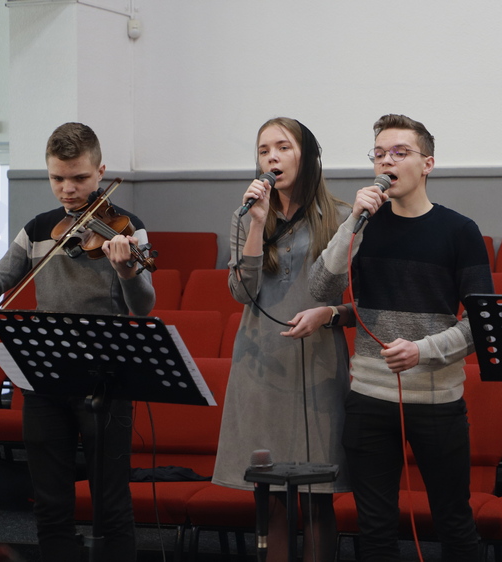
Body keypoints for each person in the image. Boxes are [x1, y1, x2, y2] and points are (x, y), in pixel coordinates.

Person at [0, 122, 154, 561]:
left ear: (101, 172)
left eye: (79, 178)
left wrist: (126, 271)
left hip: (106, 381)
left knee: (111, 504)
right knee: (50, 503)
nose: (68, 189)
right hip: (44, 380)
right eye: (57, 178)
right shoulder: (39, 229)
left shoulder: (127, 228)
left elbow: (143, 306)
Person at [308, 114, 493, 561]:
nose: (386, 161)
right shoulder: (362, 226)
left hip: (436, 400)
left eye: (399, 152)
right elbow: (320, 287)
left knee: (453, 522)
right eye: (379, 153)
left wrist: (422, 351)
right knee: (374, 530)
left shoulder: (459, 231)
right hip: (369, 399)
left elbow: (482, 323)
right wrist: (352, 221)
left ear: (427, 164)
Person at [211, 117, 352, 562]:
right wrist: (256, 225)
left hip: (318, 367)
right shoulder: (246, 215)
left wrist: (330, 315)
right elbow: (241, 293)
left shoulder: (342, 217)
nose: (271, 157)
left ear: (307, 156)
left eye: (283, 147)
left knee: (317, 496)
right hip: (260, 370)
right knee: (270, 497)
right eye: (263, 150)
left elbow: (362, 306)